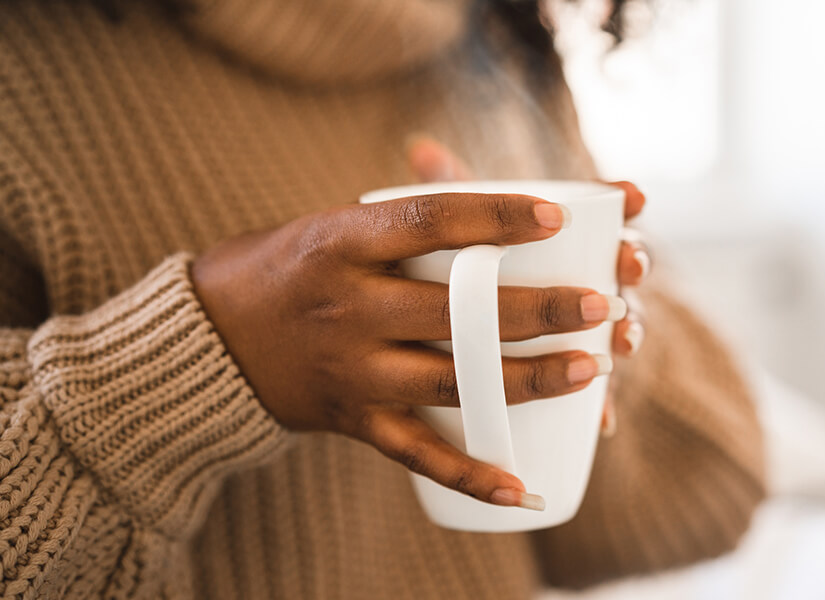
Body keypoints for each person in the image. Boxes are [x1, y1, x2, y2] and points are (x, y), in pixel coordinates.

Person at [0, 0, 766, 597]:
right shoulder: (29, 66)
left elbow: (719, 489)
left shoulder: (498, 43)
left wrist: (573, 332)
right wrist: (203, 354)